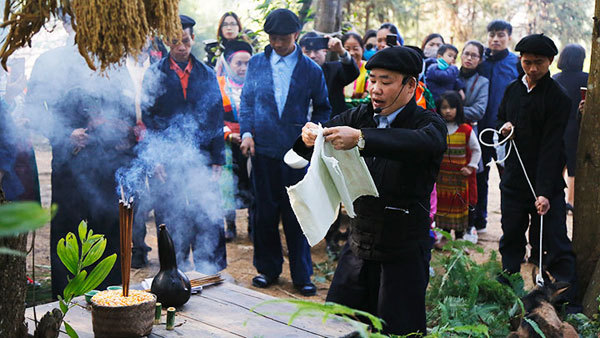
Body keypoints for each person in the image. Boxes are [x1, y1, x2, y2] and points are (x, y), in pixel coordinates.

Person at [294, 46, 447, 335]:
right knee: (337, 327)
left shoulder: (428, 124)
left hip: (403, 251)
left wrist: (363, 139)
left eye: (385, 82)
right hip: (359, 246)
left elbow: (422, 143)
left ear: (410, 85)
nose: (375, 89)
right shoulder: (359, 115)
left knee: (397, 331)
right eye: (372, 79)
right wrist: (308, 137)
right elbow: (304, 152)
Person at [238, 9, 331, 297]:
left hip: (297, 151)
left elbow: (324, 107)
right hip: (263, 148)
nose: (277, 44)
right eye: (273, 38)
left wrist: (315, 132)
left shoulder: (311, 70)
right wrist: (247, 133)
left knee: (297, 213)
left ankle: (302, 275)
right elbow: (247, 102)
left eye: (283, 38)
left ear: (296, 36)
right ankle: (267, 269)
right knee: (264, 212)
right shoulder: (256, 64)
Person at [497, 33, 580, 313]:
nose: (532, 69)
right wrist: (505, 127)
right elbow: (500, 117)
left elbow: (551, 147)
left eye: (539, 63)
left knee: (552, 239)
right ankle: (508, 289)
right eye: (527, 62)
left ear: (551, 62)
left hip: (545, 181)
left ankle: (566, 300)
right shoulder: (512, 90)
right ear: (520, 59)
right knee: (511, 236)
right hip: (513, 180)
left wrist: (545, 191)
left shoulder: (558, 98)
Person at [142, 15, 226, 273]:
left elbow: (216, 116)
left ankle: (209, 268)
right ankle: (173, 270)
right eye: (176, 41)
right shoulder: (154, 74)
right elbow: (147, 118)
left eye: (186, 41)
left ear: (193, 40)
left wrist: (217, 159)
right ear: (167, 42)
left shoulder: (207, 74)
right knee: (169, 213)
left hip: (201, 156)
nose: (181, 47)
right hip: (166, 158)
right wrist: (154, 159)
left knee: (206, 210)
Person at [475, 19, 519, 233]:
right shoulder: (480, 62)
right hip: (480, 130)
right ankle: (479, 221)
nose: (495, 39)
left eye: (500, 34)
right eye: (492, 34)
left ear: (508, 36)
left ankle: (509, 227)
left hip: (505, 131)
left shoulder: (517, 63)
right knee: (479, 175)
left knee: (508, 179)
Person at [217, 40, 254, 241]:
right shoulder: (218, 84)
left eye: (247, 63)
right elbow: (212, 115)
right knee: (228, 184)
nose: (243, 68)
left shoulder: (256, 84)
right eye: (238, 63)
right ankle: (230, 226)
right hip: (227, 142)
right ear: (228, 64)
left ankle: (252, 224)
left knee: (252, 182)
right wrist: (227, 133)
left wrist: (251, 133)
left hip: (252, 141)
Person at [433, 91, 481, 247]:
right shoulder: (438, 129)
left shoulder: (466, 129)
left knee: (459, 207)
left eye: (452, 107)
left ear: (458, 109)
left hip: (459, 179)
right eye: (444, 107)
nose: (448, 111)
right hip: (442, 178)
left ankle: (460, 238)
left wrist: (471, 166)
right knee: (444, 207)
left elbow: (476, 150)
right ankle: (445, 236)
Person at [552, 44, 588, 213]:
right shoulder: (587, 78)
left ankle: (556, 197)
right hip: (577, 126)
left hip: (558, 127)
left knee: (559, 164)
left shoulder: (555, 78)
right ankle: (571, 201)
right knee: (574, 165)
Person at [300, 31, 359, 118]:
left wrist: (341, 51)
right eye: (307, 52)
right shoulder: (295, 75)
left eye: (316, 51)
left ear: (324, 51)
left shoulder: (335, 70)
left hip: (332, 125)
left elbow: (352, 72)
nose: (312, 55)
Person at [459, 40, 489, 135]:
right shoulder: (450, 76)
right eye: (466, 54)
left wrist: (452, 110)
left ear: (480, 60)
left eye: (474, 55)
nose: (469, 58)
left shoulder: (482, 82)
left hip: (469, 132)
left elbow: (479, 111)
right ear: (461, 55)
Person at [342, 32, 370, 103]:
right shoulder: (336, 69)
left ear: (363, 50)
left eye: (355, 49)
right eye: (347, 49)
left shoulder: (368, 68)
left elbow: (367, 100)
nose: (351, 53)